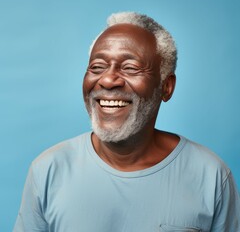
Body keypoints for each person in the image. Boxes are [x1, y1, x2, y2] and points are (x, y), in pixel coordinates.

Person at [14, 12, 240, 232]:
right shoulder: (48, 169)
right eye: (97, 67)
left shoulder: (211, 176)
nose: (108, 79)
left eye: (130, 68)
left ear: (166, 87)